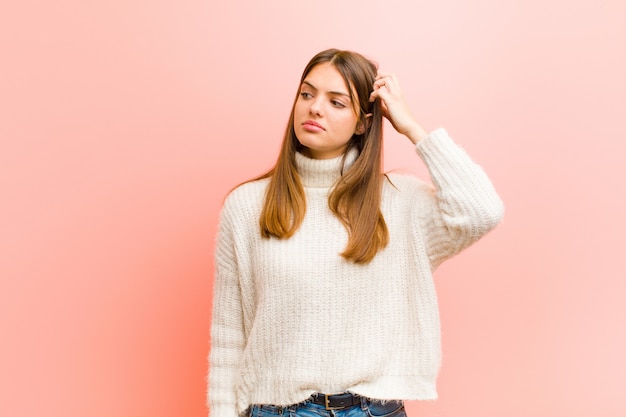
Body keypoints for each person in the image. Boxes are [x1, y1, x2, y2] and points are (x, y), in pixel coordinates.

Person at [208, 48, 504, 417]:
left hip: (372, 410)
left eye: (337, 102)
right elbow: (229, 337)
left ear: (364, 123)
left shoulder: (400, 202)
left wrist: (412, 127)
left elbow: (481, 210)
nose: (315, 108)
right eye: (306, 94)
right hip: (276, 410)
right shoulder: (247, 205)